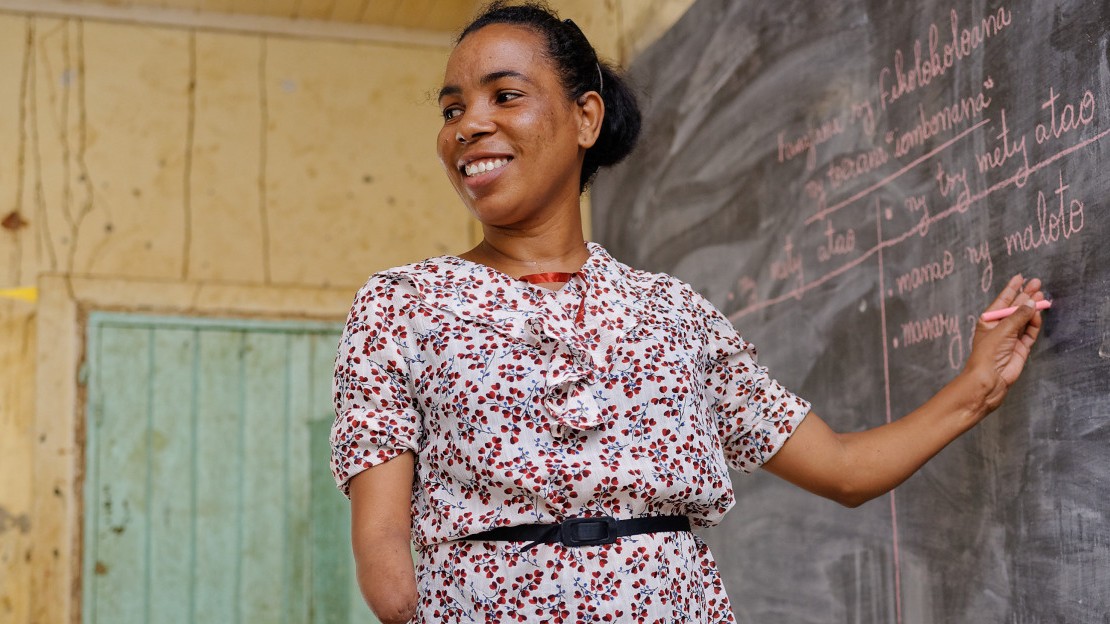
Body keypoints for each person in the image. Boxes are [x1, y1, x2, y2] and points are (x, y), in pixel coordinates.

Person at [329, 2, 1045, 622]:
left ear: (585, 118)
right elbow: (384, 552)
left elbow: (843, 469)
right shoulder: (402, 305)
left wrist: (976, 387)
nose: (468, 126)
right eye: (453, 109)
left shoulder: (674, 313)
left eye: (504, 96)